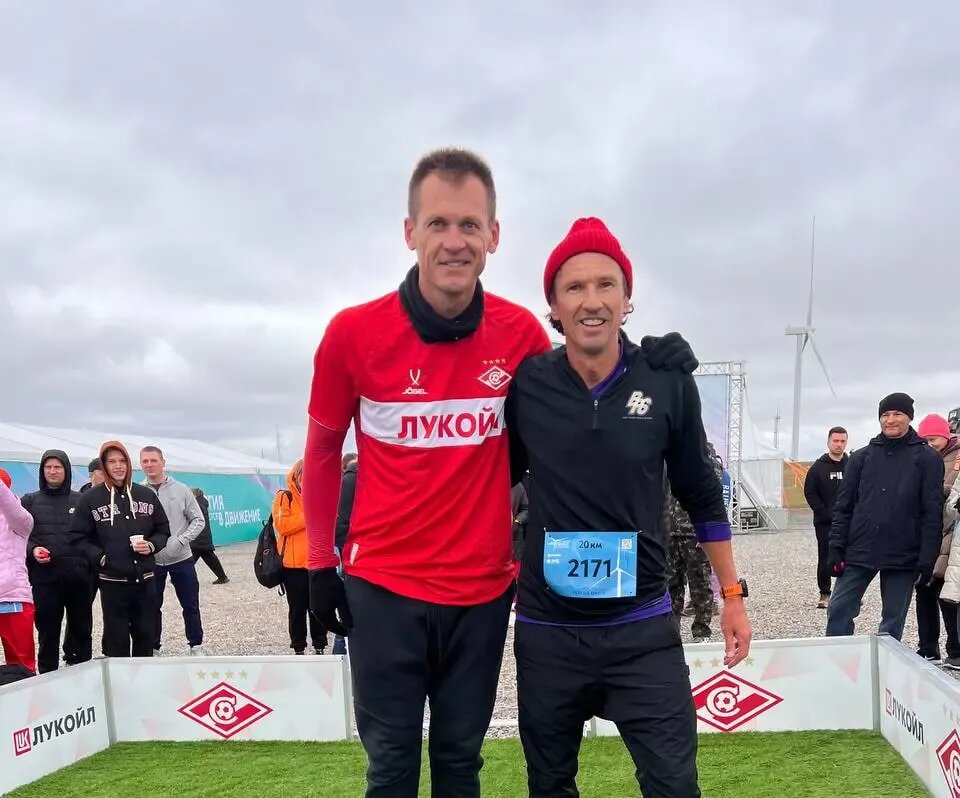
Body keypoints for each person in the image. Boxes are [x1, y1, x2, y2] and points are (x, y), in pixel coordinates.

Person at [303, 148, 698, 798]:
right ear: (410, 232)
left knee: (460, 763)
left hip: (481, 595)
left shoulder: (519, 335)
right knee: (391, 768)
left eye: (469, 224)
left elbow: (584, 382)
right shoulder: (352, 333)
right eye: (437, 224)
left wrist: (650, 359)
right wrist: (320, 563)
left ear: (493, 234)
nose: (453, 241)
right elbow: (322, 452)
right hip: (383, 590)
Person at [506, 216, 750, 798]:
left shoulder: (666, 380)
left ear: (626, 299)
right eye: (574, 287)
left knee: (674, 786)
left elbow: (701, 494)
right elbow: (488, 484)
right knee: (549, 786)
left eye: (605, 284)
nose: (591, 300)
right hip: (549, 633)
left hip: (642, 629)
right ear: (554, 307)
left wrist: (731, 595)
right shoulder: (527, 384)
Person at [826, 394, 944, 641]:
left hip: (903, 553)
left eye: (897, 414)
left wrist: (927, 557)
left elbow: (931, 513)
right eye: (885, 415)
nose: (890, 420)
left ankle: (886, 663)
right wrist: (835, 547)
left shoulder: (927, 459)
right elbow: (844, 507)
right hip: (859, 548)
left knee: (892, 621)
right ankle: (838, 658)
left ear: (909, 417)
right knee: (838, 610)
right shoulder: (861, 457)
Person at [69, 441, 170, 657]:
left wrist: (152, 545)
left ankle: (144, 677)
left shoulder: (145, 495)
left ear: (129, 464)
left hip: (145, 581)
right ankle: (119, 679)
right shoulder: (90, 499)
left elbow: (163, 529)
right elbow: (77, 537)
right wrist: (102, 558)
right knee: (116, 641)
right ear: (104, 465)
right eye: (112, 461)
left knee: (146, 637)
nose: (118, 466)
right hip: (113, 583)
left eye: (122, 461)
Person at [21, 450, 92, 672]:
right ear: (42, 471)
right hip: (45, 579)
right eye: (48, 467)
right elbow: (18, 536)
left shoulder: (81, 501)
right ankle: (47, 677)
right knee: (47, 632)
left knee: (81, 630)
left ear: (66, 470)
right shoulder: (29, 501)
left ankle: (83, 674)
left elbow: (92, 535)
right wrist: (33, 550)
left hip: (79, 578)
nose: (52, 471)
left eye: (57, 467)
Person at [140, 446, 207, 655]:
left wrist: (181, 540)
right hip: (152, 559)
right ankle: (153, 647)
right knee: (151, 606)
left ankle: (196, 645)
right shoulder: (138, 492)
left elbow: (198, 520)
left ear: (163, 462)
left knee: (190, 604)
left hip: (181, 557)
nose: (149, 465)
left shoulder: (181, 490)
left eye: (153, 460)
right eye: (145, 461)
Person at [665, 441, 725, 642]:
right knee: (670, 586)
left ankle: (701, 631)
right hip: (669, 532)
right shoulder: (667, 459)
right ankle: (671, 633)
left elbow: (713, 501)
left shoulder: (706, 460)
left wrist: (707, 532)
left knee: (699, 584)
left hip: (694, 533)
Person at [913, 414, 960, 662]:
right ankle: (928, 647)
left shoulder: (957, 458)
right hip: (926, 531)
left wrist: (935, 491)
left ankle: (955, 649)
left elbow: (954, 494)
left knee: (948, 591)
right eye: (926, 440)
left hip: (950, 532)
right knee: (924, 588)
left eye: (933, 439)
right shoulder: (919, 457)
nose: (930, 444)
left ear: (945, 436)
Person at [273, 460, 327, 655]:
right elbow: (282, 526)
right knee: (297, 609)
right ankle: (298, 647)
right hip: (293, 566)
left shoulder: (320, 497)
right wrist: (308, 515)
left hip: (316, 563)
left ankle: (319, 645)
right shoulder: (284, 497)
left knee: (318, 607)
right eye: (305, 477)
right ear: (296, 477)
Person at [803, 426, 849, 608]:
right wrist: (823, 512)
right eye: (835, 441)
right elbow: (810, 492)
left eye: (842, 441)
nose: (839, 445)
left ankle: (846, 592)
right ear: (828, 442)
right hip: (825, 523)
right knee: (826, 556)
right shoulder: (817, 468)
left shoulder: (852, 465)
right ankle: (825, 593)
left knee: (849, 556)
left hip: (848, 521)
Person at [0, 467, 36, 673]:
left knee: (21, 663)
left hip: (12, 598)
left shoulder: (20, 520)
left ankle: (26, 691)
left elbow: (9, 505)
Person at [331, 453, 358, 656]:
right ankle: (340, 654)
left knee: (348, 609)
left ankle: (340, 654)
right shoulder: (350, 482)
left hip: (349, 554)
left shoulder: (344, 482)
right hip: (350, 555)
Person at [189, 487, 229, 584]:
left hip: (198, 538)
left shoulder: (196, 505)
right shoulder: (202, 503)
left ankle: (178, 578)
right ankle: (222, 577)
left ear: (194, 495)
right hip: (203, 537)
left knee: (188, 560)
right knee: (210, 559)